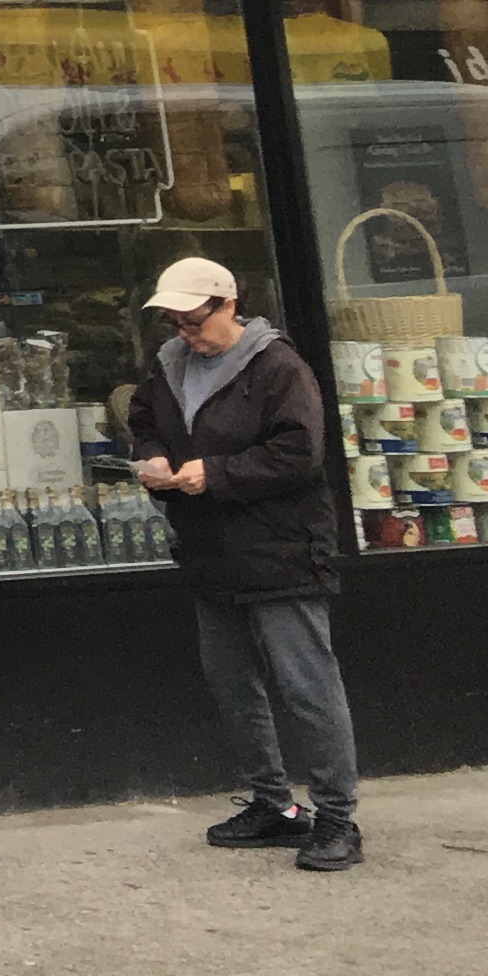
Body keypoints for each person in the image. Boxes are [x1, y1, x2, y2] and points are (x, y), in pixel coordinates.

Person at [127, 256, 358, 871]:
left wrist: (219, 473)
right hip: (208, 548)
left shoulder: (278, 367)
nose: (184, 333)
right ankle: (272, 804)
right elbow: (144, 419)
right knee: (233, 686)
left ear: (228, 305)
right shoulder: (169, 364)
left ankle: (338, 819)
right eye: (174, 322)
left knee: (307, 687)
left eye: (194, 320)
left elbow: (300, 453)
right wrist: (152, 459)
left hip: (280, 548)